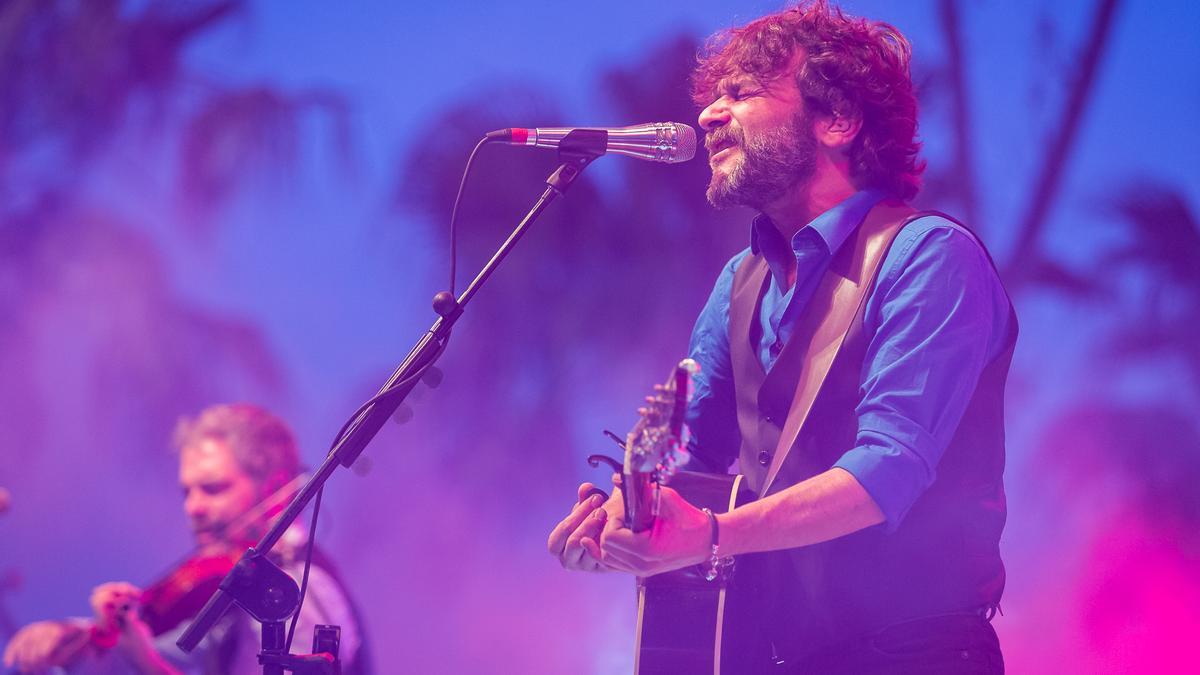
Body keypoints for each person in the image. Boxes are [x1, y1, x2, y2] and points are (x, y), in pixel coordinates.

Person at [548, 2, 1014, 673]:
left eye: (740, 93)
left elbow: (887, 469)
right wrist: (621, 527)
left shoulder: (931, 256)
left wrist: (707, 534)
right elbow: (686, 468)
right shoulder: (739, 285)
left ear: (837, 119)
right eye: (714, 97)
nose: (708, 114)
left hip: (917, 653)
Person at [4, 404, 368, 675]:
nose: (193, 507)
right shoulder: (226, 588)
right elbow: (166, 652)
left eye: (212, 489)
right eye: (186, 492)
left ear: (273, 486)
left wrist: (146, 662)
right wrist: (77, 636)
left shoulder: (299, 591)